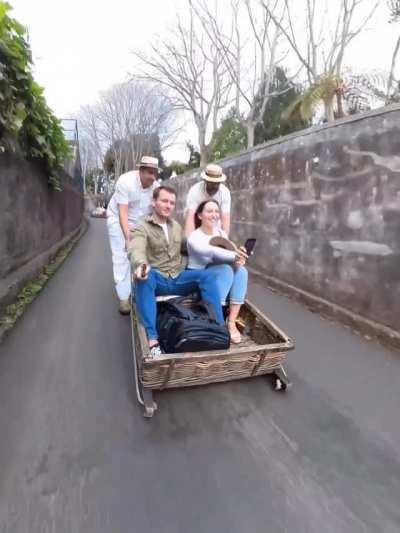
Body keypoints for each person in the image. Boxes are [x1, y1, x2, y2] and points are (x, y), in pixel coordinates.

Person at [128, 186, 225, 358]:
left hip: (178, 277)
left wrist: (217, 250)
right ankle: (153, 339)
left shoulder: (176, 226)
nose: (168, 205)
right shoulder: (142, 226)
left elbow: (188, 248)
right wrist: (141, 264)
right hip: (158, 278)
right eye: (164, 201)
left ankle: (218, 328)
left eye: (172, 203)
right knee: (144, 278)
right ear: (154, 202)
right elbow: (136, 247)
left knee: (209, 276)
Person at [187, 199, 248, 344]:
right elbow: (212, 252)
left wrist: (239, 259)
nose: (214, 215)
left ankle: (231, 321)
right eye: (209, 211)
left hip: (220, 275)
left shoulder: (220, 232)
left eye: (216, 211)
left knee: (241, 271)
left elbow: (229, 253)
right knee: (226, 270)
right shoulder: (195, 237)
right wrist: (235, 255)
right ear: (200, 215)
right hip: (198, 277)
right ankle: (215, 320)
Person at [107, 156, 160, 315]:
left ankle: (138, 289)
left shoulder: (155, 187)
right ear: (141, 171)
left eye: (155, 173)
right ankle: (124, 297)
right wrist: (128, 238)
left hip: (139, 223)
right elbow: (123, 213)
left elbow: (156, 213)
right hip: (118, 219)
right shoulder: (125, 182)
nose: (153, 177)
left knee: (141, 255)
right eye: (149, 173)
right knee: (122, 255)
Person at [184, 163, 231, 237]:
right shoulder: (195, 191)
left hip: (214, 224)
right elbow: (191, 217)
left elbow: (225, 218)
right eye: (211, 183)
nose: (214, 186)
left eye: (217, 183)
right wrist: (189, 242)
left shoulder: (225, 192)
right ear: (205, 181)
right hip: (197, 221)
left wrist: (225, 242)